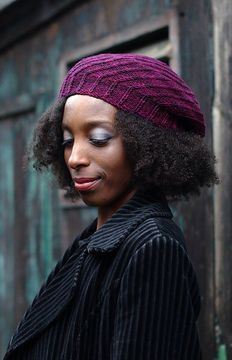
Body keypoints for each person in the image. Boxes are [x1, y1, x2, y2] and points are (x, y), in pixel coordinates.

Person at [4, 53, 218, 360]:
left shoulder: (153, 247)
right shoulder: (94, 241)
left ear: (147, 145)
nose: (75, 157)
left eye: (99, 137)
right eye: (67, 140)